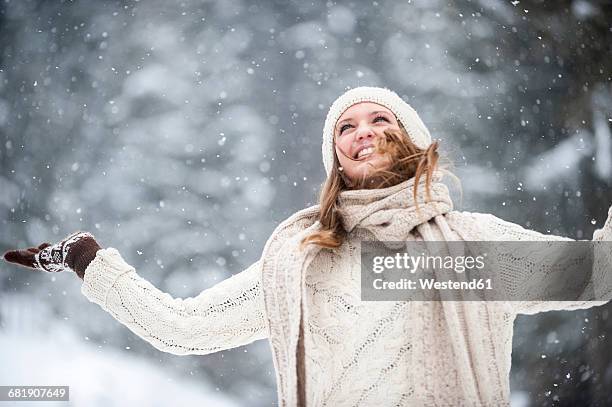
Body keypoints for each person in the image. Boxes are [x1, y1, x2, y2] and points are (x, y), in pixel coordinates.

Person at [3, 86, 611, 406]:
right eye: (345, 126)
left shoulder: (472, 249)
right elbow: (183, 328)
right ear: (335, 159)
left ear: (414, 144)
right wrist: (88, 259)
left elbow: (596, 276)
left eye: (380, 120)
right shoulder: (304, 262)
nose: (362, 132)